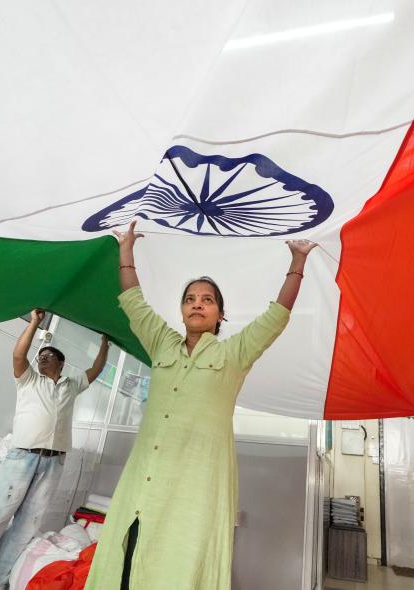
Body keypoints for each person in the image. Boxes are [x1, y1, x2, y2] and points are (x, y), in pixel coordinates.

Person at [84, 220, 317, 590]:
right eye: (190, 299)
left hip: (194, 487)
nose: (198, 304)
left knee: (178, 561)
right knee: (126, 560)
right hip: (143, 479)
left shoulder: (234, 355)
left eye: (207, 300)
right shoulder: (161, 343)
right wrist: (126, 249)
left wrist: (298, 261)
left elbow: (275, 318)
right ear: (181, 311)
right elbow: (133, 302)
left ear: (219, 315)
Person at [0, 309, 109, 589]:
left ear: (61, 362)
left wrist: (105, 343)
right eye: (40, 356)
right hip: (22, 459)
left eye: (48, 356)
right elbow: (19, 356)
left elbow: (95, 370)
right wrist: (35, 322)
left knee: (23, 531)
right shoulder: (29, 380)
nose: (42, 358)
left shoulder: (71, 386)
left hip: (53, 463)